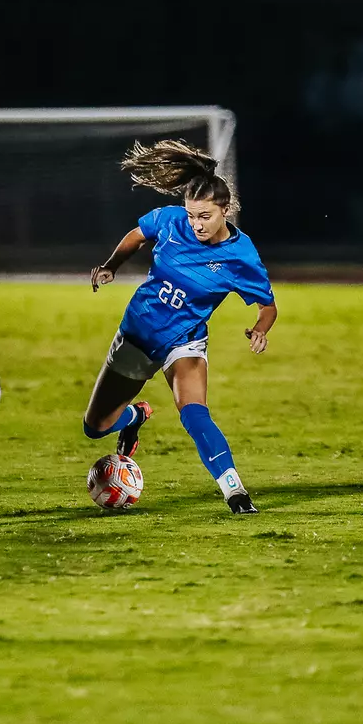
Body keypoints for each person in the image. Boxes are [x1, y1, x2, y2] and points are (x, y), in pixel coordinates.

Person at [82, 140, 277, 514]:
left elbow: (268, 305)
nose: (195, 224)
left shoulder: (241, 256)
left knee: (194, 412)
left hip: (183, 340)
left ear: (225, 209)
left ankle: (235, 492)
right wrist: (111, 266)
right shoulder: (171, 221)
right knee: (95, 427)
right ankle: (136, 415)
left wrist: (260, 328)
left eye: (204, 216)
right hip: (139, 332)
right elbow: (138, 235)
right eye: (191, 215)